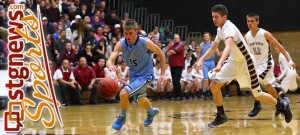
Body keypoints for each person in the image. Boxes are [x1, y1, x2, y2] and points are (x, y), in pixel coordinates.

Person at [195, 4, 292, 127]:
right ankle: (221, 115)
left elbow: (228, 46)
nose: (214, 19)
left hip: (246, 62)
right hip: (233, 61)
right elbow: (214, 47)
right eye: (213, 17)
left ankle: (282, 106)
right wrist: (201, 60)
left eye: (216, 17)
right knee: (214, 85)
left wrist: (219, 63)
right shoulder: (220, 29)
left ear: (224, 17)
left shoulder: (229, 28)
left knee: (257, 94)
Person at [106, 19, 167, 130]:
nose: (128, 36)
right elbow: (110, 58)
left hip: (146, 75)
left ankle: (122, 117)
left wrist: (163, 74)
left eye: (131, 33)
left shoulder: (145, 42)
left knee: (124, 93)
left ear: (136, 31)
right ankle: (151, 112)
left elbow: (161, 54)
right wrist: (110, 65)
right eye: (126, 33)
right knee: (140, 99)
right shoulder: (121, 44)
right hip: (134, 76)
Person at [244, 13, 296, 117]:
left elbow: (279, 46)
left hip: (266, 63)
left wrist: (289, 60)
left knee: (253, 82)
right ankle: (280, 104)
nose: (250, 23)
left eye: (252, 21)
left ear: (257, 22)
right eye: (248, 21)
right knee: (267, 87)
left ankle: (257, 105)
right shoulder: (246, 36)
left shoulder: (265, 34)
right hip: (256, 65)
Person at [198, 32, 220, 99]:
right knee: (205, 78)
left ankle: (211, 91)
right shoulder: (201, 45)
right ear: (204, 37)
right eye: (205, 36)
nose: (206, 37)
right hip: (204, 62)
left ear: (209, 37)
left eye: (207, 36)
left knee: (211, 78)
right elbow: (199, 53)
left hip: (212, 62)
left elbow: (218, 53)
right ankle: (205, 92)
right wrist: (198, 62)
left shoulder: (213, 44)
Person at [167, 34, 185, 100]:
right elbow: (168, 53)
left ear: (179, 39)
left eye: (177, 38)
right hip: (172, 65)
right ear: (173, 39)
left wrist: (172, 52)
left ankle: (180, 95)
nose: (176, 39)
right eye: (175, 38)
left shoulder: (181, 45)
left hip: (179, 65)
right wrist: (171, 52)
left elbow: (173, 52)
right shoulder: (171, 46)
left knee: (176, 80)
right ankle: (176, 95)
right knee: (174, 81)